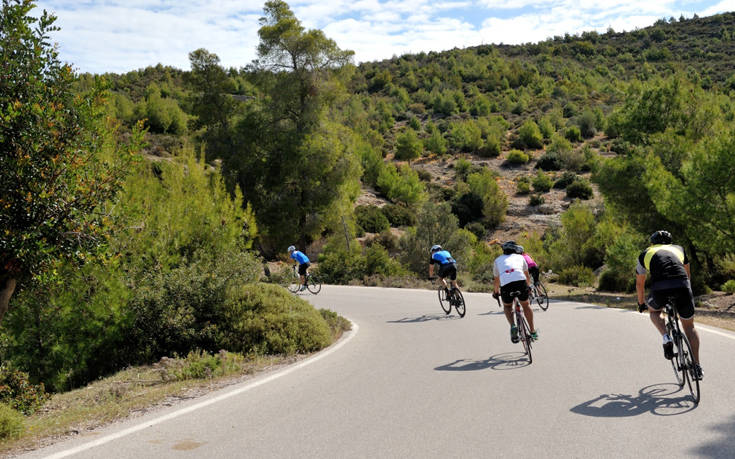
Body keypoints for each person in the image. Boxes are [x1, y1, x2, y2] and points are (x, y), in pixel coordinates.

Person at [636, 230, 702, 380]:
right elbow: (687, 275)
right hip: (682, 286)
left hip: (660, 288)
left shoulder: (645, 253)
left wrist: (641, 304)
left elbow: (640, 284)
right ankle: (697, 366)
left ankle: (666, 337)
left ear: (652, 243)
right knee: (690, 328)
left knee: (654, 312)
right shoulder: (679, 249)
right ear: (670, 242)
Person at [493, 241, 537, 343]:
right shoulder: (520, 257)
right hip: (520, 282)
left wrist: (496, 292)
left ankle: (513, 326)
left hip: (506, 285)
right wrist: (529, 287)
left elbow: (496, 280)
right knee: (526, 305)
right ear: (515, 250)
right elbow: (526, 276)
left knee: (508, 306)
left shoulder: (497, 260)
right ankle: (532, 330)